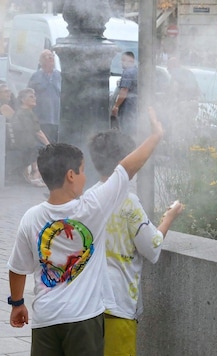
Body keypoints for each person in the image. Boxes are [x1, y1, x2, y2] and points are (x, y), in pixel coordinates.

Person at [7, 107, 164, 356]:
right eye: (82, 170)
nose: (85, 176)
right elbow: (125, 169)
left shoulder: (31, 217)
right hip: (83, 319)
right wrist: (155, 135)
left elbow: (17, 268)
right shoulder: (91, 209)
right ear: (71, 175)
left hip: (45, 318)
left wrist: (17, 304)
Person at [87, 129, 183, 356]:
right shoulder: (128, 202)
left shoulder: (89, 197)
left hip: (88, 303)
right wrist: (168, 218)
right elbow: (152, 247)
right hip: (118, 304)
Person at [11, 88, 50, 186]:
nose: (34, 99)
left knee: (38, 147)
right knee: (45, 149)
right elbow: (38, 132)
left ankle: (31, 174)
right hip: (25, 144)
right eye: (31, 97)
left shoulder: (24, 112)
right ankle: (35, 176)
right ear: (23, 100)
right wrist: (49, 144)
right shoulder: (26, 113)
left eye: (34, 96)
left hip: (25, 142)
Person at [27, 49, 61, 143]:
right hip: (42, 118)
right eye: (47, 56)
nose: (51, 58)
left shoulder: (59, 76)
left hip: (57, 118)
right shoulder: (36, 76)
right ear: (41, 61)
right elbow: (29, 95)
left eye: (52, 56)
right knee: (45, 145)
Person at [111, 51, 138, 136]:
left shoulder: (128, 72)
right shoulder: (136, 71)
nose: (121, 62)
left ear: (131, 61)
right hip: (135, 105)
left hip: (128, 107)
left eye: (123, 60)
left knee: (126, 130)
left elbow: (124, 91)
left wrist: (116, 106)